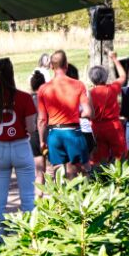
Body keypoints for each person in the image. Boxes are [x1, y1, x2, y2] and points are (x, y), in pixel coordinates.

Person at [0, 58, 38, 221]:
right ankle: (30, 236)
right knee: (27, 197)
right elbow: (31, 128)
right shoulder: (24, 97)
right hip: (21, 147)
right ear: (12, 73)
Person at [37, 50, 93, 179]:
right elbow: (88, 112)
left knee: (58, 173)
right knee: (83, 171)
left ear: (51, 66)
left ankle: (61, 198)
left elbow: (41, 120)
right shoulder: (78, 85)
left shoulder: (43, 89)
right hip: (74, 133)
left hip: (55, 134)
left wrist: (41, 141)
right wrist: (75, 113)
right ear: (66, 65)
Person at [87, 53, 127, 167]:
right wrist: (114, 58)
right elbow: (123, 76)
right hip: (113, 126)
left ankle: (99, 180)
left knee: (98, 158)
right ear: (105, 77)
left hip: (96, 127)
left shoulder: (90, 93)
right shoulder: (112, 88)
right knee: (120, 156)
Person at [28, 72, 48, 189]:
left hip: (33, 136)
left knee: (39, 172)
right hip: (47, 133)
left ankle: (39, 199)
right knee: (53, 169)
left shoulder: (29, 99)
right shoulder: (47, 97)